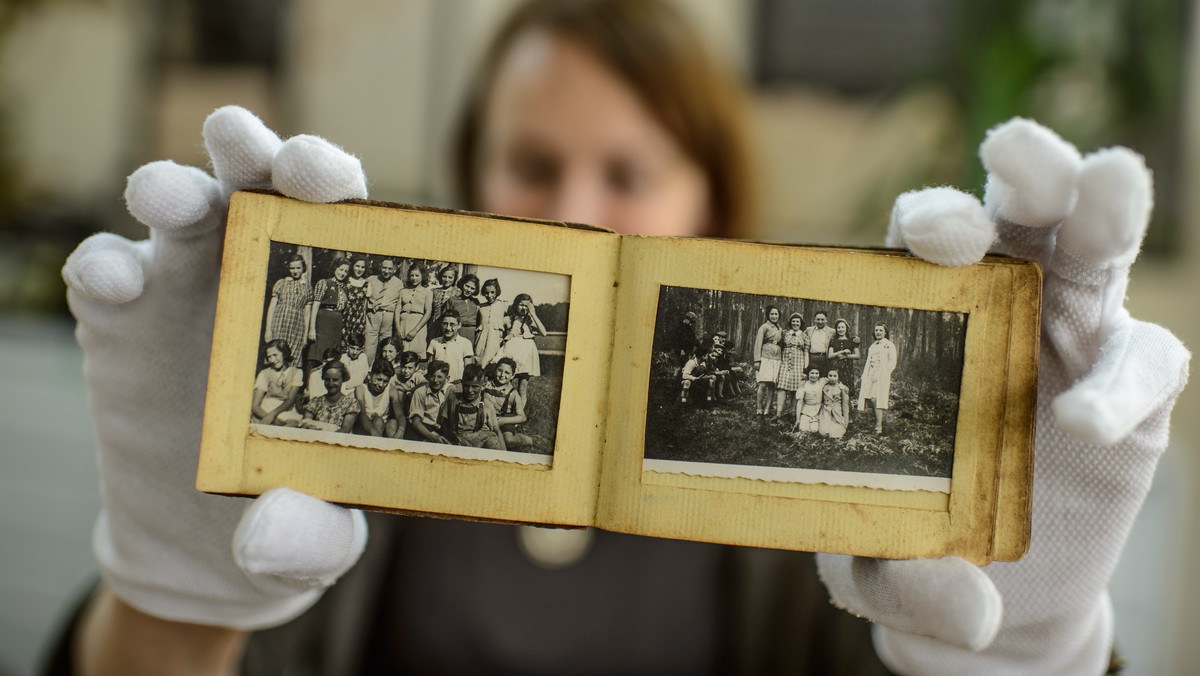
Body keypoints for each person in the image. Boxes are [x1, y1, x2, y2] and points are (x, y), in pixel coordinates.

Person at [55, 2, 1189, 675]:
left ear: (710, 201)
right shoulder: (355, 463)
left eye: (628, 171)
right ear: (472, 179)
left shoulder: (824, 527)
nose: (576, 208)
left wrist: (1030, 652)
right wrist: (167, 594)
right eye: (533, 165)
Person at [494, 292, 546, 400]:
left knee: (522, 387)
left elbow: (544, 333)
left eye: (527, 306)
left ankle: (519, 412)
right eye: (521, 304)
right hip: (511, 351)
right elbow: (499, 335)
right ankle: (502, 407)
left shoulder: (530, 321)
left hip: (527, 353)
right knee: (505, 382)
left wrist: (533, 314)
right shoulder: (507, 319)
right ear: (516, 305)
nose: (524, 308)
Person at [444, 363, 506, 450]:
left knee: (493, 445)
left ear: (483, 385)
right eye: (466, 386)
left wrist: (504, 453)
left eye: (475, 387)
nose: (470, 390)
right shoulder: (453, 399)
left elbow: (496, 429)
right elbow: (444, 423)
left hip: (483, 438)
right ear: (462, 383)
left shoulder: (486, 404)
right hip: (460, 438)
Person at [262, 254, 311, 363]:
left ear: (303, 269)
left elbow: (307, 313)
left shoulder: (307, 288)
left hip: (297, 326)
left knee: (292, 358)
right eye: (292, 268)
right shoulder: (281, 283)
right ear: (288, 269)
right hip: (280, 323)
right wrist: (268, 330)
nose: (295, 271)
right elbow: (272, 307)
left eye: (298, 268)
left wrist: (305, 335)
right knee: (276, 354)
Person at [306, 255, 350, 369]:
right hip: (323, 322)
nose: (343, 273)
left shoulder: (344, 288)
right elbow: (315, 305)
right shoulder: (324, 283)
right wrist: (312, 328)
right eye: (341, 269)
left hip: (336, 325)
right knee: (317, 354)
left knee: (331, 356)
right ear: (335, 268)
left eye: (346, 271)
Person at [250, 339, 304, 426]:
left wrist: (272, 416)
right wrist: (270, 418)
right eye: (269, 357)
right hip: (265, 409)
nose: (272, 360)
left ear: (284, 353)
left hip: (285, 409)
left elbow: (290, 400)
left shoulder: (297, 372)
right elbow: (255, 406)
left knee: (292, 425)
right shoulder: (264, 373)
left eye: (275, 355)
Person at [484, 357, 534, 451]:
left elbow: (522, 417)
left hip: (503, 419)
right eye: (500, 370)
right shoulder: (486, 385)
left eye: (507, 373)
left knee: (508, 440)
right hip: (487, 417)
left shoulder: (513, 393)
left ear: (512, 376)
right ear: (495, 370)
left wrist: (504, 420)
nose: (502, 375)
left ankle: (524, 440)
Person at [300, 361, 360, 434]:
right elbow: (305, 424)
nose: (331, 384)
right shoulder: (316, 402)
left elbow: (345, 429)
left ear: (342, 380)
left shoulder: (350, 403)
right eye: (327, 379)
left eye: (335, 380)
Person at [363, 257, 403, 367]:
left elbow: (399, 303)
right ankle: (367, 370)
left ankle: (382, 370)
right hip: (373, 315)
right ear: (380, 267)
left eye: (390, 268)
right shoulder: (371, 279)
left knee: (385, 345)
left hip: (388, 318)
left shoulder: (399, 283)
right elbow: (363, 299)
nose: (387, 271)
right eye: (384, 268)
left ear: (394, 269)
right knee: (369, 345)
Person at [858, 323, 897, 435]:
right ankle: (875, 423)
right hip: (871, 374)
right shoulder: (873, 345)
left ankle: (878, 427)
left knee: (877, 399)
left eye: (881, 330)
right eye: (876, 330)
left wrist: (885, 372)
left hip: (881, 376)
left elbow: (892, 362)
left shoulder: (889, 345)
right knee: (870, 398)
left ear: (885, 332)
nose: (878, 332)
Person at [407, 360, 452, 444]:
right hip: (424, 428)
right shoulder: (420, 392)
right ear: (427, 377)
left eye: (439, 377)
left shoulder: (450, 391)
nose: (435, 380)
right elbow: (416, 422)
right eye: (432, 376)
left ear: (447, 378)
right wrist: (432, 437)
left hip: (443, 429)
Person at [426, 309, 476, 386]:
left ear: (459, 325)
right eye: (445, 324)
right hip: (437, 384)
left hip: (457, 384)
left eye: (452, 324)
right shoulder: (434, 342)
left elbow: (468, 370)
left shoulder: (465, 343)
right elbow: (430, 367)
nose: (448, 328)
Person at [395, 261, 432, 355]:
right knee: (402, 351)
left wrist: (415, 330)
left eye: (417, 275)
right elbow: (397, 310)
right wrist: (398, 328)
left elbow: (428, 312)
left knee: (416, 352)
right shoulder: (403, 291)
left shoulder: (427, 292)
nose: (414, 278)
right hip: (403, 324)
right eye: (412, 275)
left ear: (422, 276)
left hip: (418, 325)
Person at [776, 312, 808, 419]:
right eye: (793, 321)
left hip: (798, 364)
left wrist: (805, 368)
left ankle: (793, 413)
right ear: (790, 322)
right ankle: (779, 413)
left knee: (795, 389)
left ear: (800, 323)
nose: (795, 323)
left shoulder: (804, 335)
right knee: (782, 387)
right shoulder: (785, 333)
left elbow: (806, 352)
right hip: (785, 363)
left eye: (797, 321)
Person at [752, 305, 783, 417]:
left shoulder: (780, 329)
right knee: (763, 384)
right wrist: (757, 360)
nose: (774, 316)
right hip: (765, 357)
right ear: (768, 315)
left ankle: (767, 409)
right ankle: (759, 408)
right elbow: (758, 343)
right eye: (772, 314)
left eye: (776, 314)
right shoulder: (764, 327)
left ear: (779, 316)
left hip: (777, 359)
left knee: (772, 385)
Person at [354, 358, 395, 437]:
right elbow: (362, 414)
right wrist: (373, 432)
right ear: (369, 375)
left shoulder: (391, 389)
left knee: (393, 423)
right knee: (378, 421)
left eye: (385, 381)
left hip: (382, 429)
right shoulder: (361, 389)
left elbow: (399, 414)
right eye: (378, 379)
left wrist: (401, 430)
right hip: (365, 428)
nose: (381, 384)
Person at [474, 277, 509, 365]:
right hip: (482, 337)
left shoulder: (503, 306)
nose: (489, 295)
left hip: (495, 338)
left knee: (493, 359)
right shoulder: (480, 307)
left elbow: (507, 323)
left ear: (497, 291)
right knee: (479, 358)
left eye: (492, 292)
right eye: (486, 293)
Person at [340, 255, 370, 352]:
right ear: (352, 266)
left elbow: (366, 305)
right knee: (342, 343)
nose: (359, 269)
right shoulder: (345, 281)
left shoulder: (367, 284)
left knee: (355, 344)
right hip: (345, 317)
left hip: (358, 320)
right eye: (357, 266)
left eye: (362, 267)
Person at [426, 264, 460, 344]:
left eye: (450, 277)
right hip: (434, 325)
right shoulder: (433, 291)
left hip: (449, 325)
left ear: (454, 278)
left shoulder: (457, 292)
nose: (447, 279)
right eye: (444, 276)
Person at [828, 318, 860, 396]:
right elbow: (830, 355)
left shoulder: (851, 340)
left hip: (847, 368)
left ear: (846, 328)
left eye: (843, 327)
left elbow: (857, 355)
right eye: (839, 327)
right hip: (836, 367)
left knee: (847, 389)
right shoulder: (833, 341)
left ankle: (847, 406)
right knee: (836, 388)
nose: (841, 329)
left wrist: (846, 356)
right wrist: (841, 352)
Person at [818, 369, 852, 439]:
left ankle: (838, 427)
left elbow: (845, 406)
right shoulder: (825, 387)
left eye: (835, 376)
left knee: (834, 434)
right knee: (823, 433)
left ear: (838, 377)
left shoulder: (842, 388)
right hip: (826, 411)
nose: (832, 378)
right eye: (830, 376)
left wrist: (846, 420)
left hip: (837, 413)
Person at [805, 311, 836, 379]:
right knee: (811, 378)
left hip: (824, 358)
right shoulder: (809, 330)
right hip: (812, 358)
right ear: (814, 320)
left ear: (826, 320)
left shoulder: (832, 332)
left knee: (824, 379)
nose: (820, 322)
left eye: (822, 319)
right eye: (818, 319)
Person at [794, 366, 824, 433]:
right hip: (806, 409)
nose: (814, 375)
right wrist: (797, 418)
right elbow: (800, 402)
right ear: (808, 374)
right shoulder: (804, 385)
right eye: (812, 373)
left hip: (818, 410)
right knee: (803, 429)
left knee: (814, 430)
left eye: (816, 373)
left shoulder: (821, 382)